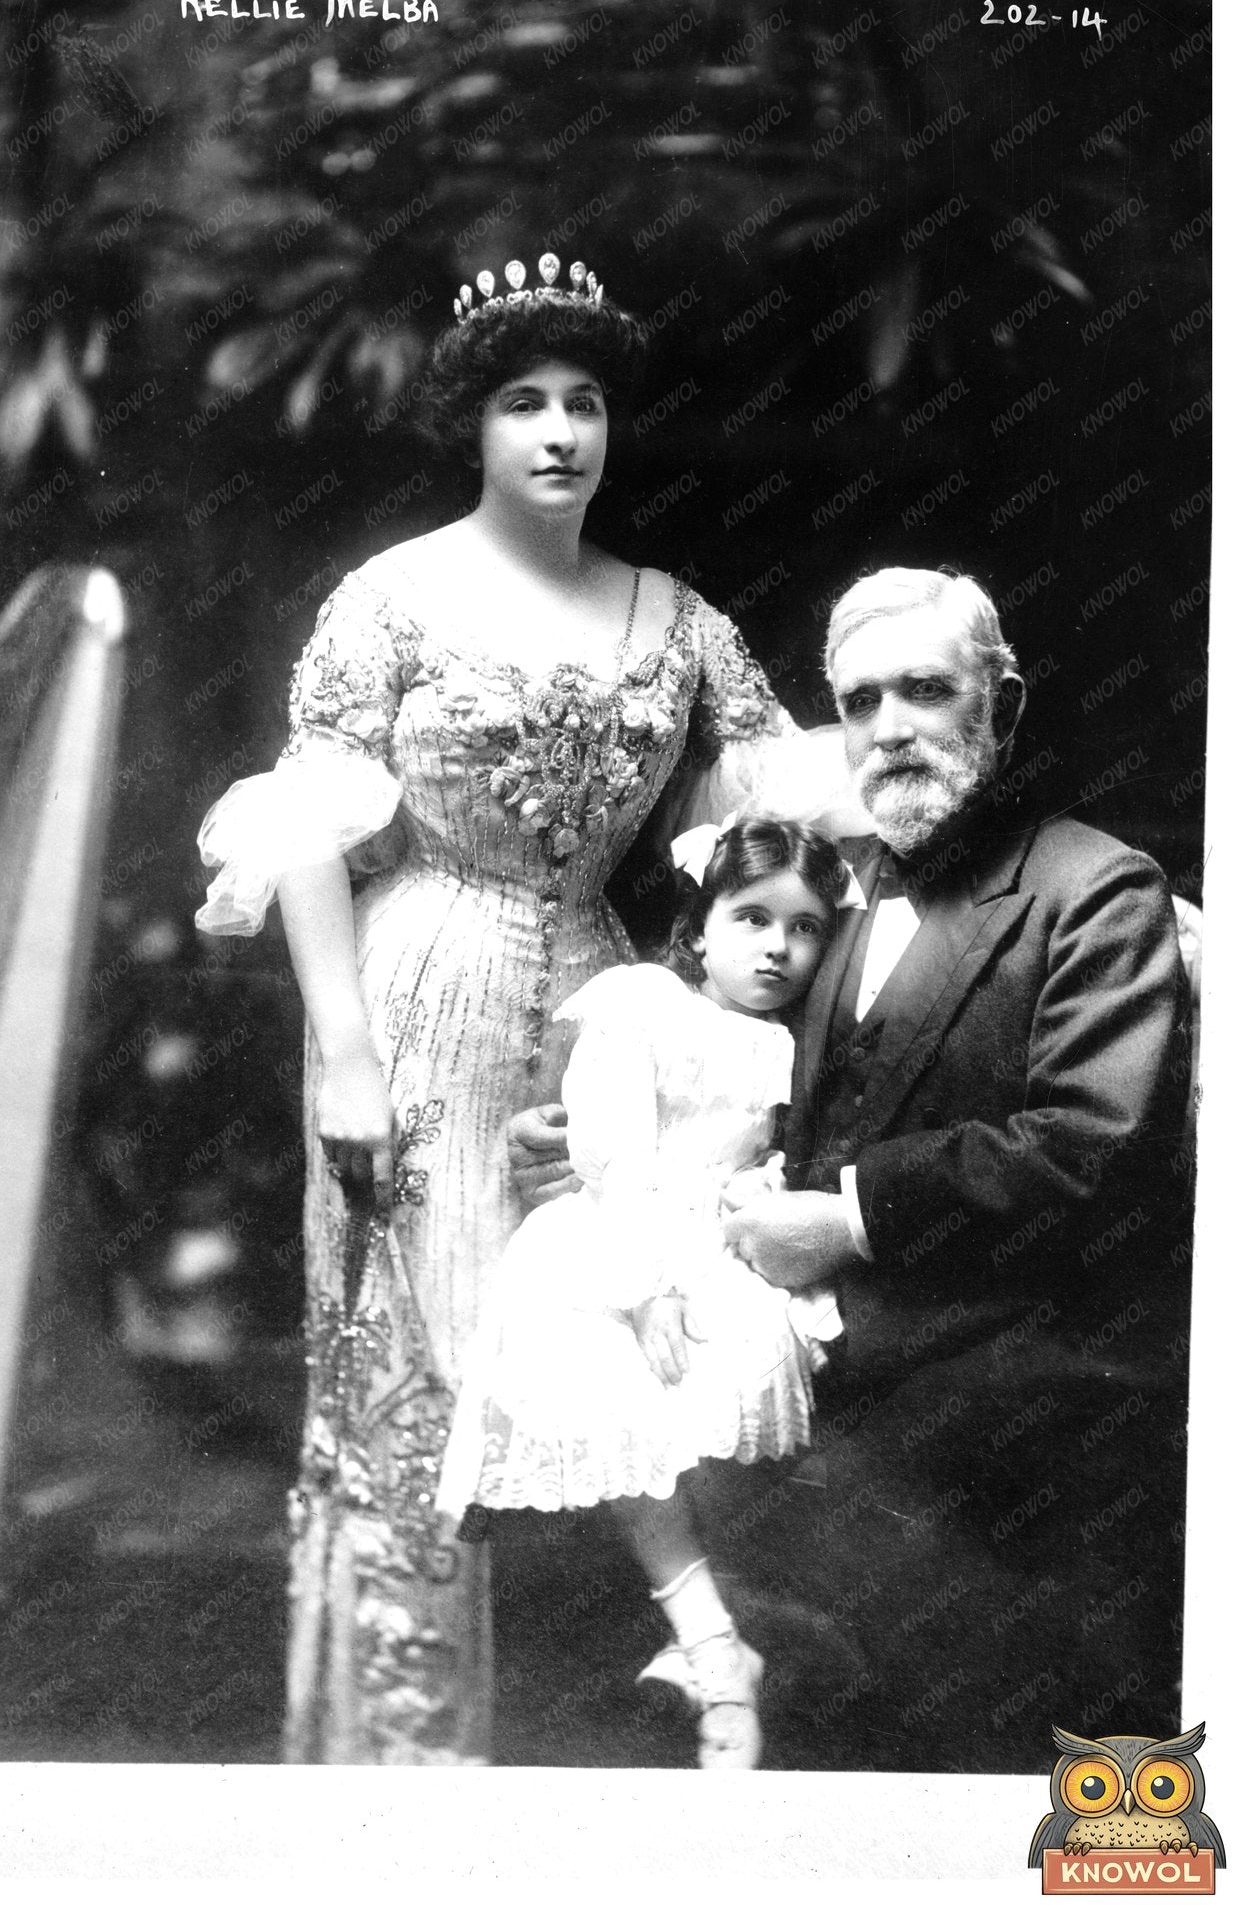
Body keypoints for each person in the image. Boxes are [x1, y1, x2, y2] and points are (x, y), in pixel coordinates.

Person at [194, 255, 857, 1765]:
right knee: (410, 1364)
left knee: (592, 1333)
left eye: (584, 404)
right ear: (474, 428)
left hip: (596, 993)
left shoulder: (673, 620)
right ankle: (402, 1759)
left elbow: (769, 819)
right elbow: (309, 832)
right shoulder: (393, 598)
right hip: (414, 988)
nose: (559, 433)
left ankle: (695, 1655)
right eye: (522, 404)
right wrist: (346, 1056)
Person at [510, 565, 1193, 1771]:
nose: (888, 727)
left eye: (925, 691)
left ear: (1006, 706)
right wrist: (579, 1139)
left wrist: (854, 1216)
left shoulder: (1095, 890)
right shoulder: (823, 902)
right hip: (813, 1392)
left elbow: (1094, 1141)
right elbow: (715, 1074)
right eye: (859, 697)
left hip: (1007, 1393)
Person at [437, 815, 861, 1769]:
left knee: (705, 1425)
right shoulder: (642, 1005)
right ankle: (711, 1643)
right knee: (621, 1403)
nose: (778, 948)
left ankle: (714, 1640)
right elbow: (612, 1152)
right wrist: (648, 1285)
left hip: (722, 1243)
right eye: (752, 919)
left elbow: (760, 1158)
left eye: (803, 930)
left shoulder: (783, 1045)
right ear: (701, 925)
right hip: (615, 1242)